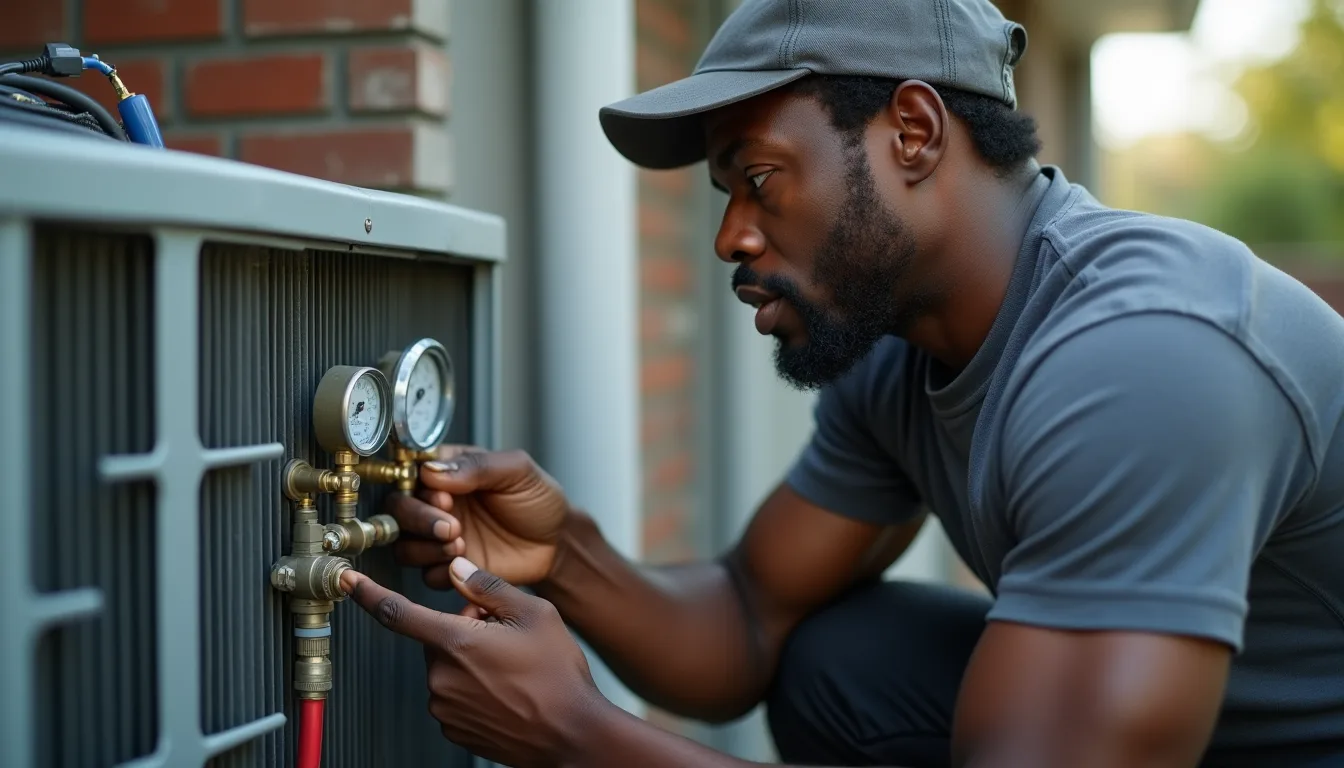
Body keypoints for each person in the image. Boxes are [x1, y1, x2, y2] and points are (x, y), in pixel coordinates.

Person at [340, 0, 1344, 766]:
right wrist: (564, 557)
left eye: (759, 179)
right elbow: (746, 618)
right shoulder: (901, 356)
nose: (730, 237)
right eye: (725, 194)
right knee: (842, 661)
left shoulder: (1145, 356)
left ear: (913, 131)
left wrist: (577, 735)